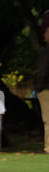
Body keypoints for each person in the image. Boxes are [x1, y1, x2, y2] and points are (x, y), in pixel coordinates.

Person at [35, 23, 49, 153]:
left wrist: (38, 87)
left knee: (48, 119)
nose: (44, 34)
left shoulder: (46, 51)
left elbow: (42, 71)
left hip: (46, 89)